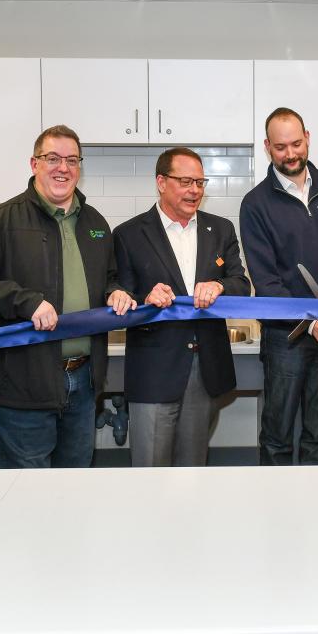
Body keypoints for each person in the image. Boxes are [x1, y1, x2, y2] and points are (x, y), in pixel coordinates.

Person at [0, 125, 136, 468]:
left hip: (83, 382)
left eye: (72, 160)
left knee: (73, 483)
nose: (62, 168)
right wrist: (26, 301)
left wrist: (116, 293)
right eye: (52, 158)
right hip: (22, 383)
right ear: (34, 163)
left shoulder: (95, 223)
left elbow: (109, 279)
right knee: (24, 487)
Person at [240, 107, 318, 465]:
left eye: (296, 144)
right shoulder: (255, 205)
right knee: (277, 438)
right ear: (268, 147)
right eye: (281, 147)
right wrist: (311, 324)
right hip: (287, 338)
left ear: (308, 138)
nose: (291, 154)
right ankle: (277, 501)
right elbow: (266, 284)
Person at [113, 147, 251, 466]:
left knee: (193, 471)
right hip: (153, 372)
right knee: (151, 471)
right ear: (161, 182)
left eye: (200, 182)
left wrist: (219, 286)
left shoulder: (221, 230)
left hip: (205, 369)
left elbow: (241, 285)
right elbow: (117, 293)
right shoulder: (128, 235)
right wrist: (145, 297)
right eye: (186, 181)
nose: (195, 190)